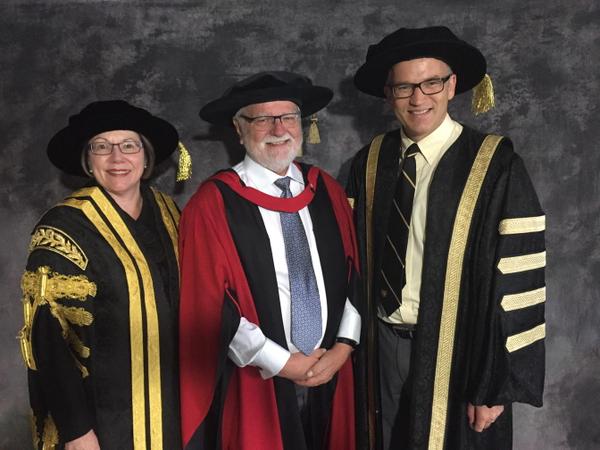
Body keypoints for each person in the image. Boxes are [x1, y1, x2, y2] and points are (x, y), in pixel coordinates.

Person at [347, 26, 546, 450]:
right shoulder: (370, 162)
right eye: (405, 87)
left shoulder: (494, 165)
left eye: (431, 82)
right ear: (389, 93)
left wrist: (493, 383)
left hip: (459, 350)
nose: (419, 99)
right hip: (380, 346)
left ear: (451, 85)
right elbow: (350, 262)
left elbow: (518, 280)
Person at [179, 71, 361, 450]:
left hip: (333, 370)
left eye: (288, 117)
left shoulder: (326, 189)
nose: (278, 129)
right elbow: (209, 306)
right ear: (239, 128)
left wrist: (344, 346)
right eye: (262, 118)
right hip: (257, 378)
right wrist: (281, 362)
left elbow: (353, 273)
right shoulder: (213, 204)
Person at [18, 100, 183, 449]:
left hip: (176, 404)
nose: (117, 158)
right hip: (104, 416)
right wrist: (77, 431)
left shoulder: (170, 214)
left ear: (146, 156)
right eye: (102, 147)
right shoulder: (63, 228)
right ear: (88, 160)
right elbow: (47, 339)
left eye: (128, 146)